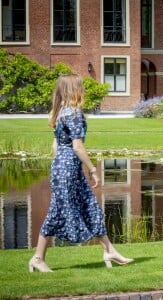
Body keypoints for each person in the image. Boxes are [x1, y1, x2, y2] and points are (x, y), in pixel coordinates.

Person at [29, 74, 133, 272]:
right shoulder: (74, 113)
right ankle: (37, 258)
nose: (83, 89)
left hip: (62, 167)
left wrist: (62, 167)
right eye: (80, 86)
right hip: (69, 168)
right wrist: (93, 169)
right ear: (74, 90)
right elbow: (77, 146)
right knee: (59, 211)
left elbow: (55, 146)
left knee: (89, 206)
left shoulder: (60, 112)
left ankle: (109, 250)